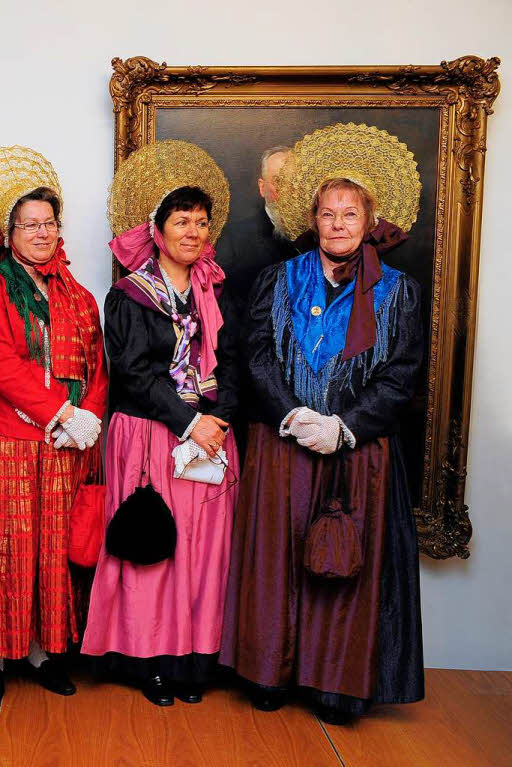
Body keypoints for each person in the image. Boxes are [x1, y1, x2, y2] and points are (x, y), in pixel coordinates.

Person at [221, 122, 426, 724]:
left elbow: (400, 375)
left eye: (350, 213)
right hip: (283, 445)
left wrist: (344, 426)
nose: (338, 223)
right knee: (276, 562)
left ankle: (336, 683)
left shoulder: (398, 292)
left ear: (369, 221)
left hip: (357, 455)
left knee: (344, 572)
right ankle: (270, 674)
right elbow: (255, 355)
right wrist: (291, 413)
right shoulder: (277, 280)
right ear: (312, 218)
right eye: (329, 213)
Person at [82, 140, 241, 706]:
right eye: (182, 221)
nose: (193, 232)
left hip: (209, 434)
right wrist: (188, 422)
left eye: (201, 222)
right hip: (151, 433)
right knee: (157, 546)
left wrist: (218, 418)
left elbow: (235, 361)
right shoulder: (128, 294)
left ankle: (192, 659)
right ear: (158, 229)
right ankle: (147, 659)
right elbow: (132, 372)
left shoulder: (215, 289)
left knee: (203, 549)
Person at [0, 146, 108, 703]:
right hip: (4, 438)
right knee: (3, 547)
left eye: (49, 223)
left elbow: (96, 365)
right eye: (29, 225)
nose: (41, 234)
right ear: (8, 232)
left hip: (66, 445)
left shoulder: (79, 295)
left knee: (52, 546)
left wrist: (86, 416)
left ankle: (44, 652)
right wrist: (58, 410)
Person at [217, 145, 312, 301]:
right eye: (278, 181)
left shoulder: (319, 234)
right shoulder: (235, 237)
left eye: (292, 180)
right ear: (262, 187)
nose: (287, 188)